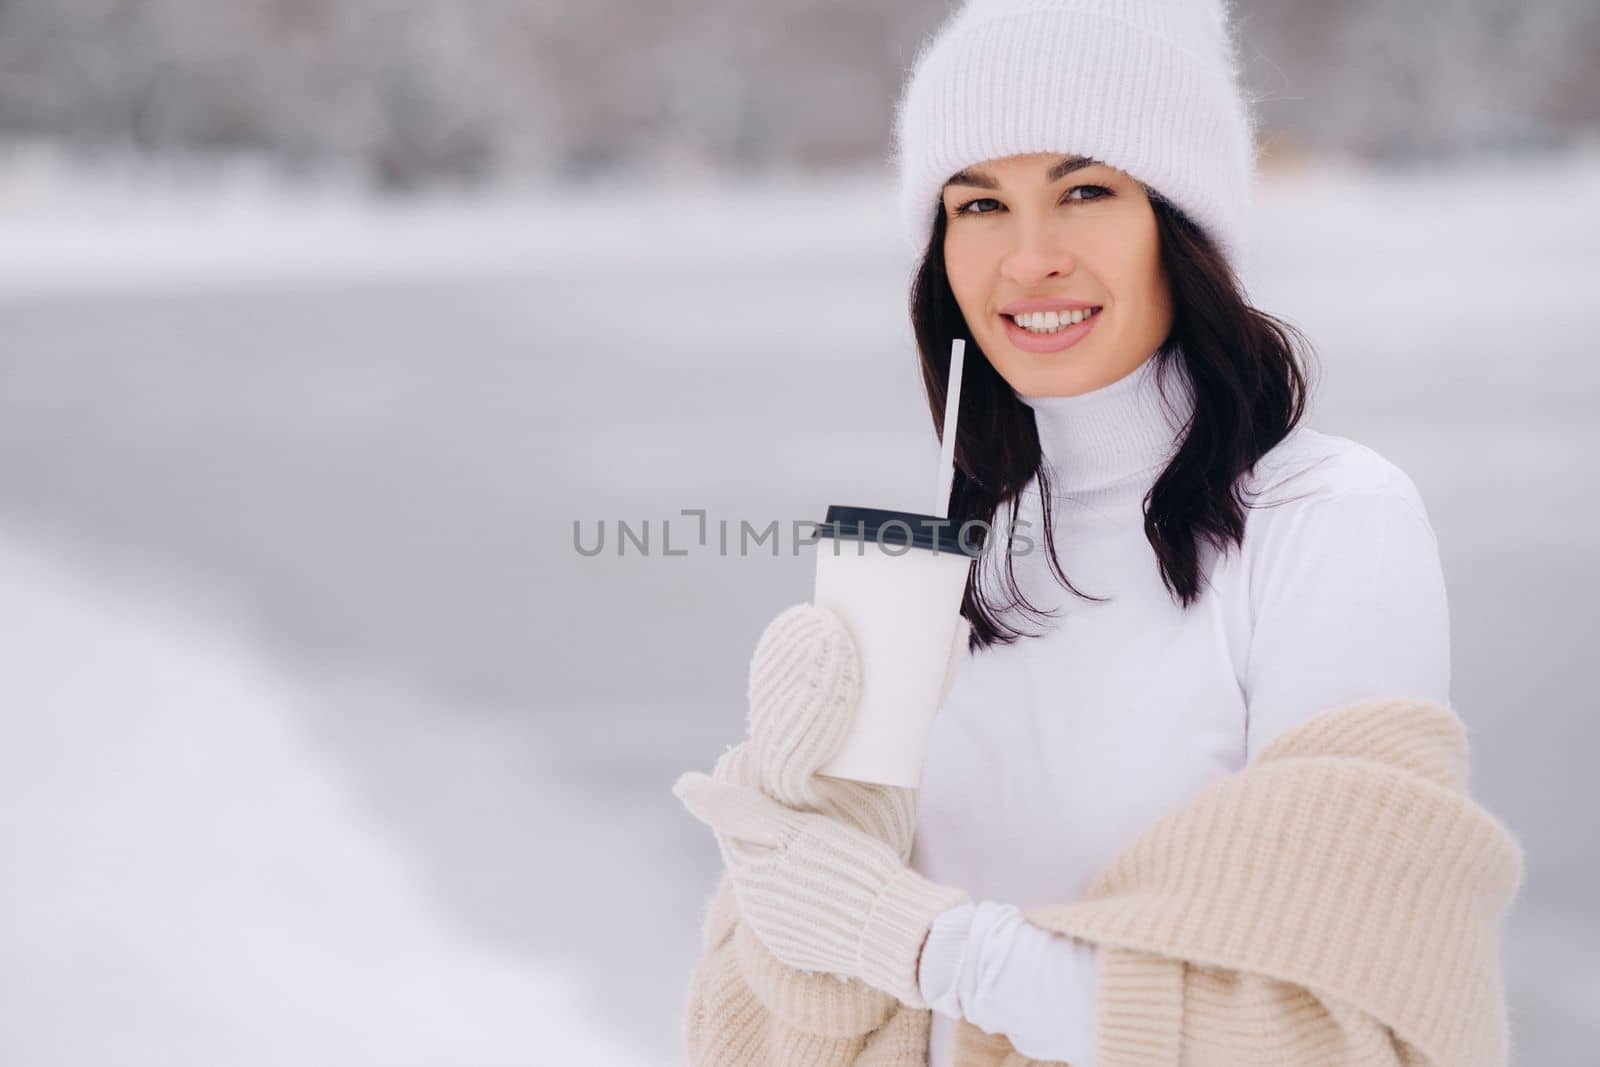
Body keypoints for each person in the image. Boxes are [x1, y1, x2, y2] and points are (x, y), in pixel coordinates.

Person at [673, 1, 1521, 1064]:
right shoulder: (921, 568)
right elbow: (768, 1025)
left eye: (1083, 191)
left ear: (1181, 225)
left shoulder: (1327, 518)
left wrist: (922, 941)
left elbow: (1328, 1028)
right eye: (977, 205)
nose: (1028, 259)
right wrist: (791, 848)